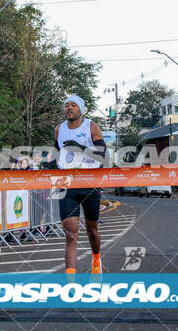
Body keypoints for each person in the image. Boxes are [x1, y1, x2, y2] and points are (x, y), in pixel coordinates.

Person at [52, 95, 107, 278]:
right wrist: (51, 163)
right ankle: (71, 282)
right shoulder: (59, 129)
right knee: (70, 234)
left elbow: (102, 156)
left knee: (92, 230)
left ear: (81, 109)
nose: (68, 108)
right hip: (67, 184)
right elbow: (56, 154)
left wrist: (80, 148)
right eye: (66, 105)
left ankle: (96, 259)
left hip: (90, 182)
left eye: (73, 105)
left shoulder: (91, 126)